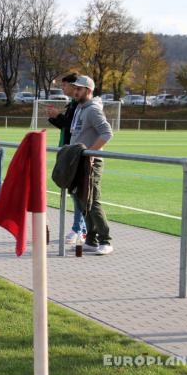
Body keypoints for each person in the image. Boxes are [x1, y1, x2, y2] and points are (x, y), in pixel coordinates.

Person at [69, 75, 114, 255]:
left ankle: (106, 240)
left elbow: (107, 133)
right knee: (82, 201)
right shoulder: (81, 108)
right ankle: (91, 240)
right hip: (80, 161)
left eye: (79, 89)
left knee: (92, 201)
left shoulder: (93, 109)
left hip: (91, 163)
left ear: (88, 90)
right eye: (75, 88)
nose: (75, 91)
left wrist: (91, 154)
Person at [47, 73, 87, 245]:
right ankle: (81, 229)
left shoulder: (80, 105)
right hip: (67, 149)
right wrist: (54, 117)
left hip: (76, 151)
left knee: (77, 192)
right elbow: (66, 126)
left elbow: (71, 126)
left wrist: (58, 116)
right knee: (73, 192)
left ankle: (79, 229)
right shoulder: (72, 104)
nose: (63, 89)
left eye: (64, 86)